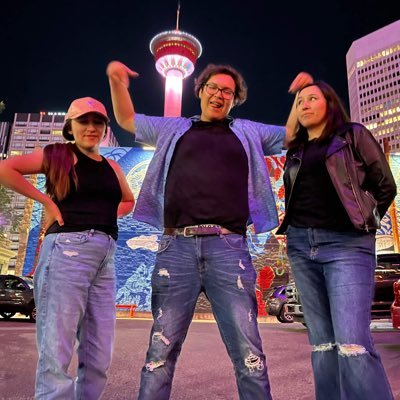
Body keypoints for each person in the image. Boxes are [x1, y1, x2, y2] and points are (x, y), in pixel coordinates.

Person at [107, 60, 310, 400]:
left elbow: (290, 135)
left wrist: (299, 96)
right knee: (160, 354)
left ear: (234, 99)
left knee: (249, 354)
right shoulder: (174, 128)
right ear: (200, 90)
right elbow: (128, 121)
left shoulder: (247, 131)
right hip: (176, 247)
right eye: (213, 88)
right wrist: (117, 82)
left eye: (227, 91)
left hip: (228, 247)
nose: (219, 95)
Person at [0, 97, 135, 399]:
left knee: (99, 353)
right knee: (56, 350)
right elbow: (5, 169)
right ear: (70, 127)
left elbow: (128, 200)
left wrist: (106, 215)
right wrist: (46, 201)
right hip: (66, 250)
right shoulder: (59, 154)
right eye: (83, 121)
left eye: (97, 122)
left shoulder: (112, 166)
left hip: (105, 256)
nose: (91, 127)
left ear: (104, 128)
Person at [276, 80, 396, 400]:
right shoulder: (296, 151)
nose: (304, 104)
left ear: (329, 104)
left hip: (346, 245)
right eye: (299, 100)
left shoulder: (352, 135)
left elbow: (385, 186)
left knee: (352, 344)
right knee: (322, 344)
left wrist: (363, 222)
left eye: (312, 98)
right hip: (301, 245)